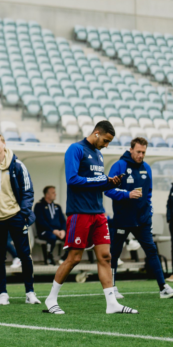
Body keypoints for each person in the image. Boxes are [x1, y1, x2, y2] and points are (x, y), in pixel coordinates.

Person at [43, 121, 135, 315]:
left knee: (105, 257)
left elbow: (97, 184)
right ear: (96, 133)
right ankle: (51, 299)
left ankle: (112, 304)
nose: (106, 145)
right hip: (79, 213)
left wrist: (110, 183)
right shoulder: (75, 149)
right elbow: (72, 179)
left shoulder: (99, 154)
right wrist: (102, 180)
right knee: (74, 258)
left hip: (98, 213)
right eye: (106, 140)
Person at [106, 137, 173, 300]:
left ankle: (163, 288)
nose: (141, 155)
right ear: (131, 149)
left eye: (143, 152)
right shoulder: (119, 166)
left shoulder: (147, 167)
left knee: (152, 251)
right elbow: (108, 190)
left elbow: (148, 193)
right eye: (138, 151)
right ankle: (111, 288)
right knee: (115, 253)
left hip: (142, 220)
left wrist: (149, 209)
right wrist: (127, 194)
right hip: (122, 219)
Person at [0, 133, 39, 305]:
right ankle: (3, 294)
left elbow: (28, 191)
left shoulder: (18, 165)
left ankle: (30, 292)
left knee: (24, 255)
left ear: (4, 144)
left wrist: (23, 213)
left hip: (16, 216)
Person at [33, 186, 65, 265]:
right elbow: (41, 222)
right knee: (51, 236)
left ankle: (64, 258)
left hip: (58, 231)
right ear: (47, 195)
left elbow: (63, 221)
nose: (55, 194)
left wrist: (63, 230)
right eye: (53, 193)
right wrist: (53, 231)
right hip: (45, 231)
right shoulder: (39, 206)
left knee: (71, 237)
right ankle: (49, 257)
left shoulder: (57, 206)